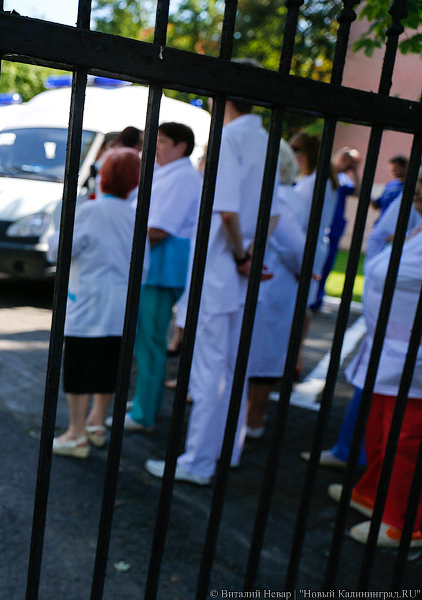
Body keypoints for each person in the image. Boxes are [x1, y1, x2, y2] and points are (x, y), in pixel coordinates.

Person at [144, 80, 276, 485]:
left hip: (220, 272)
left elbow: (227, 212)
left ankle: (198, 462)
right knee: (233, 369)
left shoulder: (229, 139)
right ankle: (226, 452)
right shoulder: (266, 140)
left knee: (208, 372)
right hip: (238, 272)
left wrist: (239, 255)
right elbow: (272, 212)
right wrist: (251, 253)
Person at [301, 173, 422, 470]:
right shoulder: (414, 222)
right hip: (388, 341)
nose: (416, 190)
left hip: (404, 349)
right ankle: (357, 463)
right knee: (383, 417)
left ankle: (360, 466)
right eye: (417, 183)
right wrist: (378, 274)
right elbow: (381, 237)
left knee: (401, 433)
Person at [331, 202, 422, 548]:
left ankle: (405, 522)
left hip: (411, 355)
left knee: (405, 437)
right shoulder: (417, 225)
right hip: (388, 348)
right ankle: (374, 493)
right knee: (381, 428)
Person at [48, 149, 141, 458]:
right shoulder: (136, 215)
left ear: (104, 176)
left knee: (80, 367)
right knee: (108, 365)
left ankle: (75, 433)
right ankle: (97, 423)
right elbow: (145, 267)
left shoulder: (90, 211)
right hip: (121, 305)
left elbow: (59, 251)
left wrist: (56, 224)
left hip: (88, 303)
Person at [125, 123, 201, 431]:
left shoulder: (182, 177)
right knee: (146, 339)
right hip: (157, 266)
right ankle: (147, 399)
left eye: (163, 141)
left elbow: (159, 229)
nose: (155, 147)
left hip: (161, 268)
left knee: (150, 341)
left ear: (182, 146)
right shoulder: (170, 173)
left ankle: (144, 413)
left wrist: (121, 239)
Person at [245, 143, 305, 438]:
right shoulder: (288, 195)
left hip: (272, 286)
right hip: (274, 286)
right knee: (260, 354)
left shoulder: (277, 196)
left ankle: (253, 419)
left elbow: (296, 247)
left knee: (262, 357)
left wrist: (299, 269)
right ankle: (251, 417)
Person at [289, 132, 340, 379]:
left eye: (296, 150)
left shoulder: (313, 182)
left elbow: (299, 220)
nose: (293, 156)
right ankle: (294, 357)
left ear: (307, 153)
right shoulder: (321, 180)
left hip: (305, 246)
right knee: (302, 303)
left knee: (297, 304)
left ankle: (293, 358)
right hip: (314, 245)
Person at [311, 147, 361, 310]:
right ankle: (309, 298)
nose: (350, 165)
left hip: (334, 229)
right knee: (312, 263)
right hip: (318, 226)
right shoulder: (323, 174)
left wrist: (355, 171)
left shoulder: (344, 179)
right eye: (350, 162)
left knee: (326, 266)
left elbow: (359, 192)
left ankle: (316, 300)